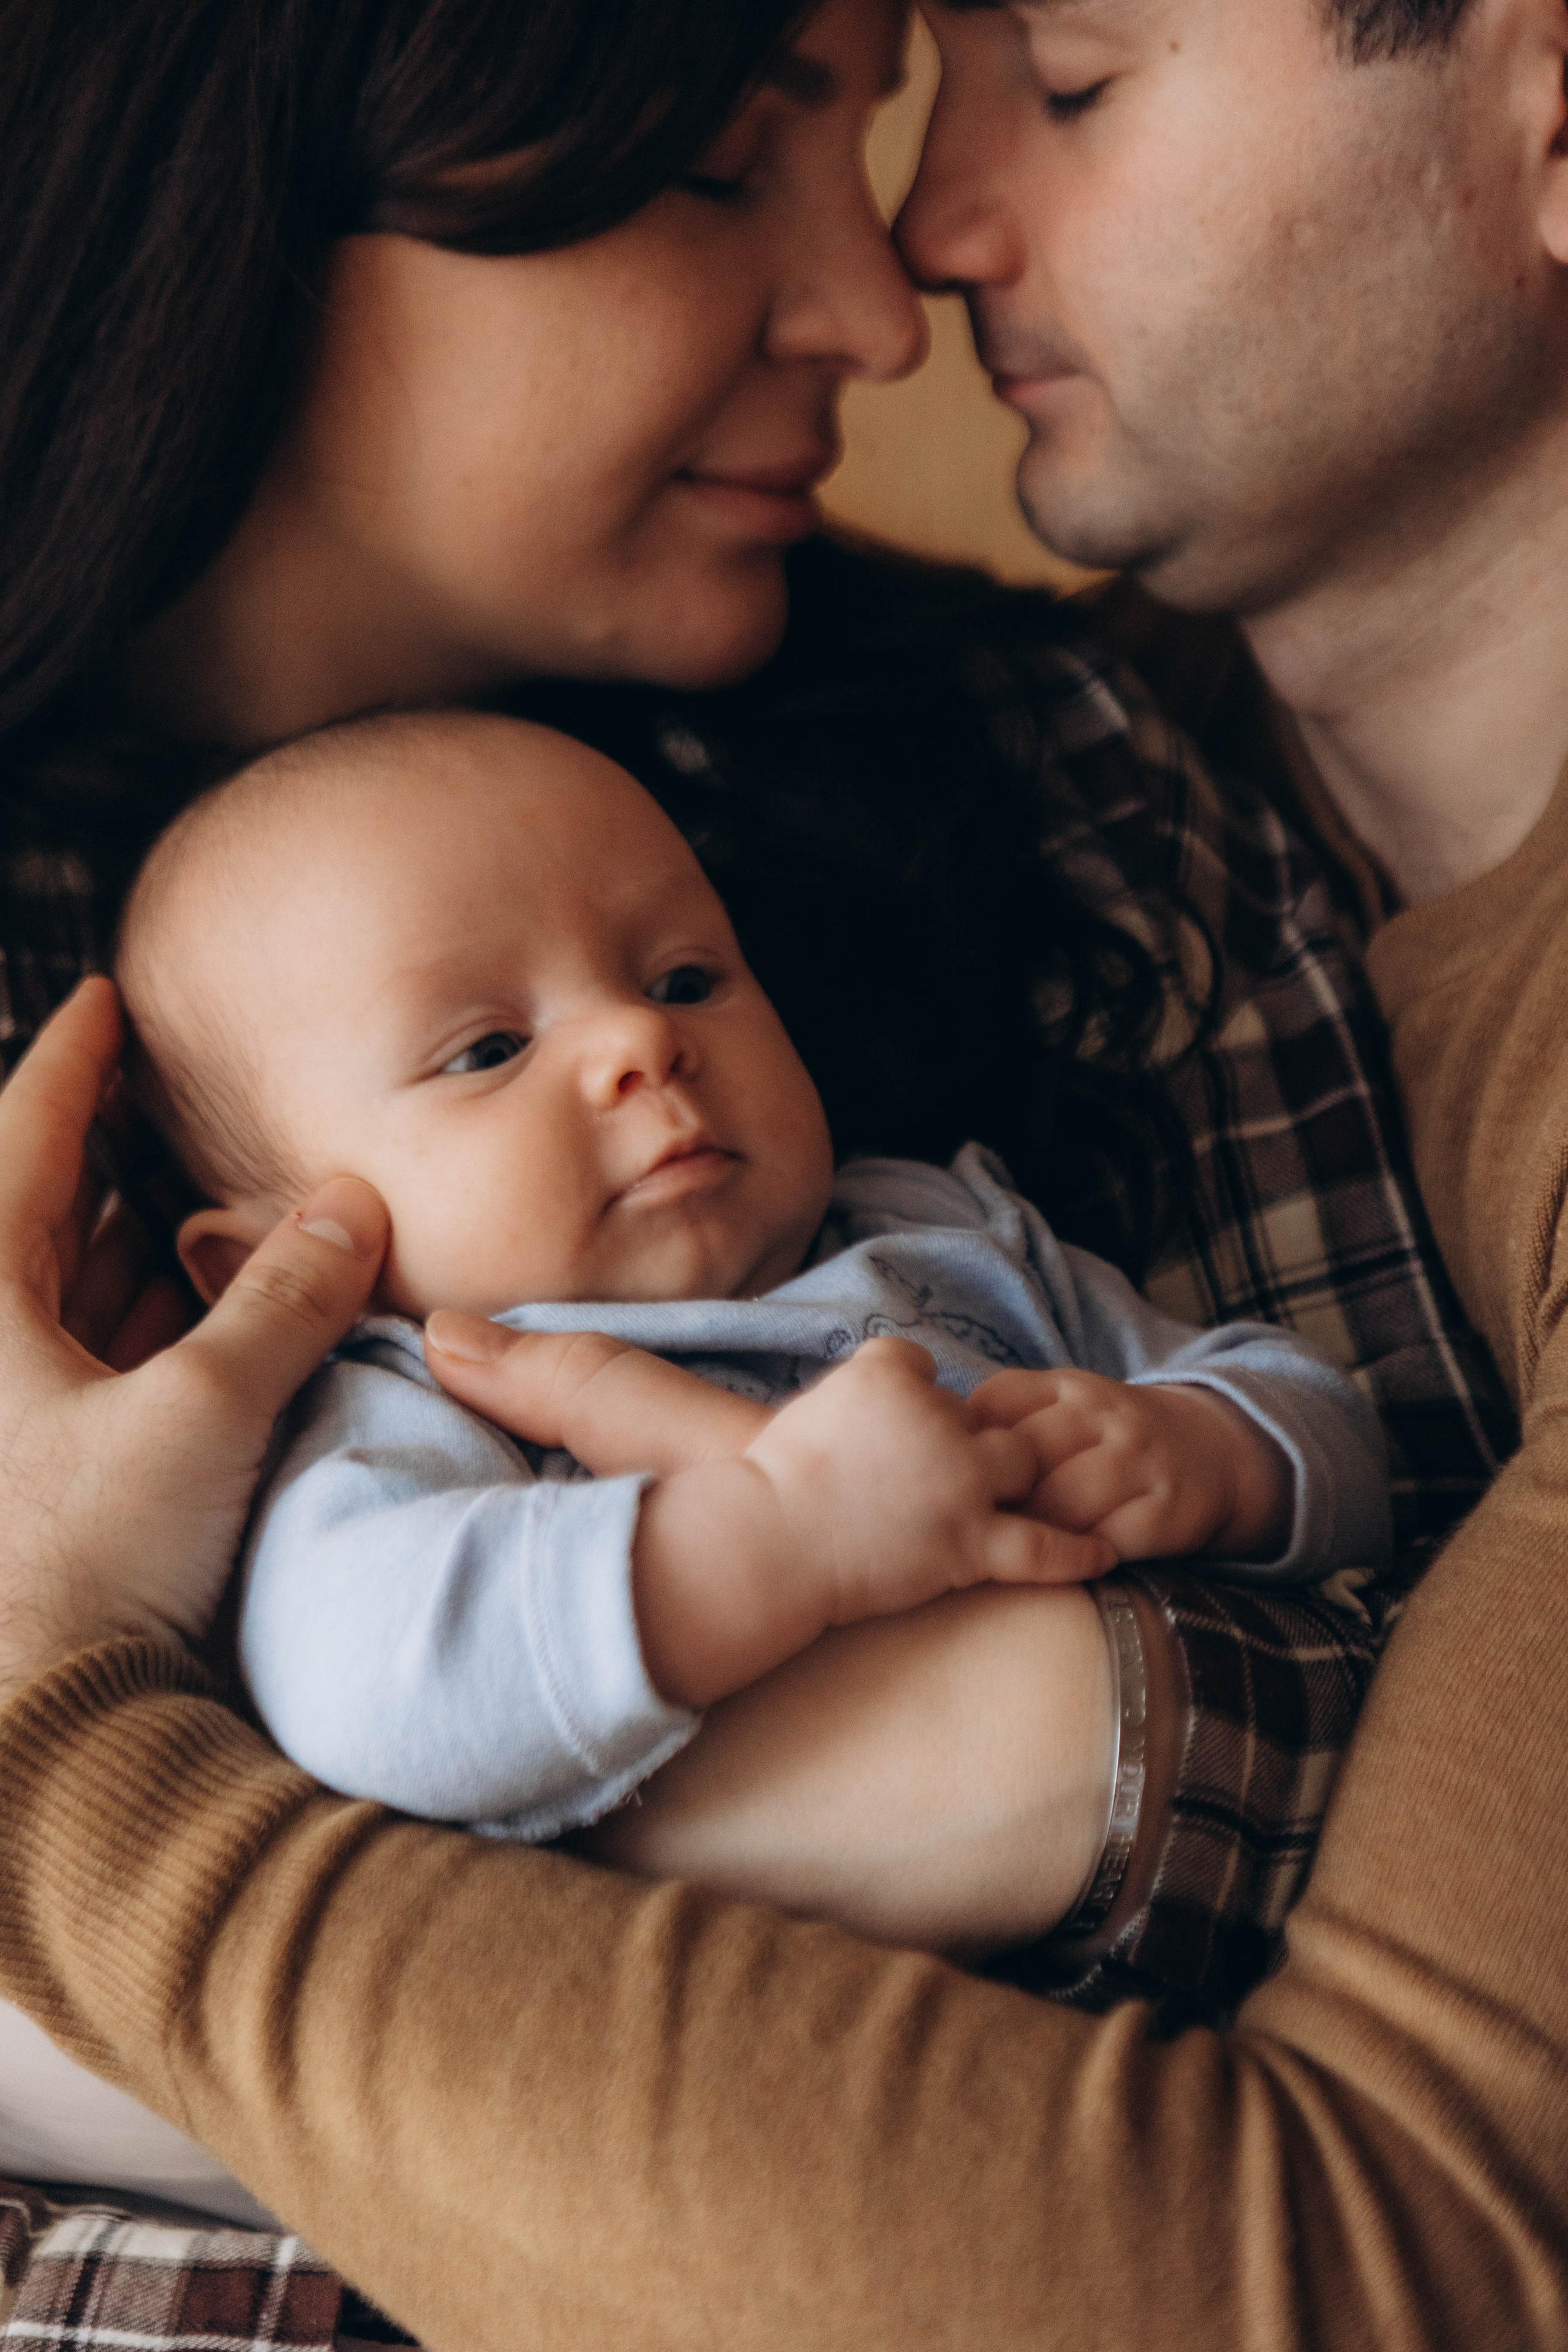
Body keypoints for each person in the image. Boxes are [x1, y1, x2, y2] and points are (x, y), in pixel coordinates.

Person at [0, 0, 1519, 2339]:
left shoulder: (1061, 794)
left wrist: (133, 1882)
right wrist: (953, 1726)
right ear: (266, 193)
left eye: (687, 978)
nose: (880, 306)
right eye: (722, 171)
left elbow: (1404, 1686)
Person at [115, 709, 1382, 1864]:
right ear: (281, 1264)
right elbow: (365, 1685)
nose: (639, 1040)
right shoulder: (416, 1396)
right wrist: (781, 1531)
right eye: (488, 1049)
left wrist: (1210, 1454)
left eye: (684, 979)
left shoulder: (942, 1226)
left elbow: (1328, 1423)